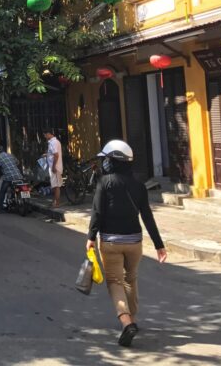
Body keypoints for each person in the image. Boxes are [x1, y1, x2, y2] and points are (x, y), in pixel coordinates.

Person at [86, 140, 166, 348]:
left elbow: (97, 212)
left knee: (114, 282)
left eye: (106, 159)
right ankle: (133, 320)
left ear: (112, 161)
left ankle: (126, 321)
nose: (104, 163)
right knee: (131, 279)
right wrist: (159, 245)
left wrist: (91, 237)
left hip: (110, 242)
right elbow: (148, 217)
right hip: (134, 242)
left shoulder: (104, 183)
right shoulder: (139, 186)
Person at [0, 145, 22, 213]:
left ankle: (0, 209)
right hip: (19, 175)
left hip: (8, 177)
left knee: (2, 192)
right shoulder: (11, 155)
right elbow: (18, 163)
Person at [44, 128, 63, 208]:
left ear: (49, 134)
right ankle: (55, 202)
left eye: (45, 134)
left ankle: (57, 203)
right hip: (55, 166)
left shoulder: (53, 143)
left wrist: (54, 166)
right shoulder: (56, 142)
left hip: (55, 167)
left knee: (56, 186)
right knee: (55, 185)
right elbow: (53, 154)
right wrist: (47, 155)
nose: (45, 136)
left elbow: (56, 155)